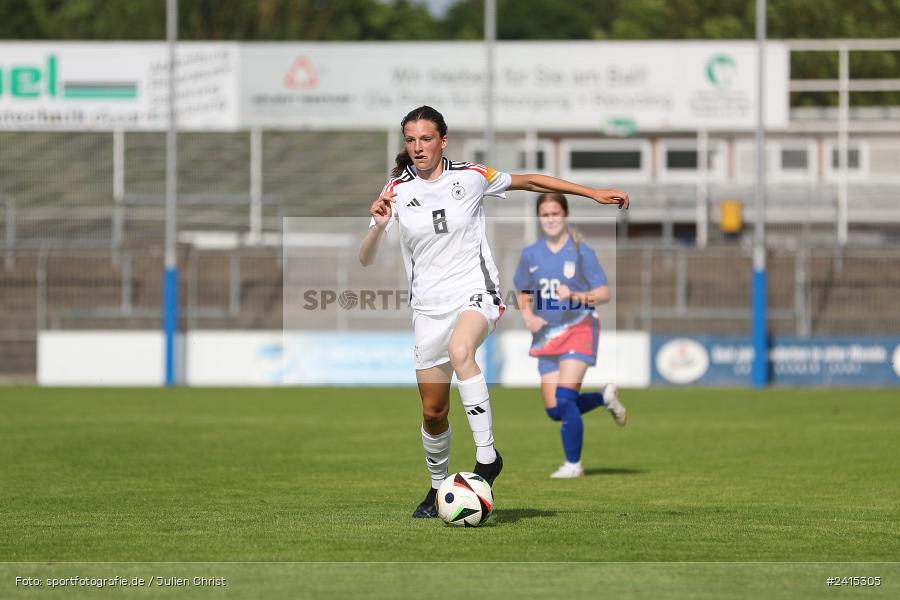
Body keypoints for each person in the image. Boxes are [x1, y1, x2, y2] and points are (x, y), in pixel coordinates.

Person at [358, 106, 629, 518]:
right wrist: (377, 226)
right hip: (427, 308)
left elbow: (530, 180)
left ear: (443, 141)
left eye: (426, 138)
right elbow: (365, 258)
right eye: (410, 140)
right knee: (433, 412)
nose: (417, 147)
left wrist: (590, 193)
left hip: (475, 293)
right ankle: (436, 490)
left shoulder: (471, 175)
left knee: (462, 349)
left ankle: (487, 457)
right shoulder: (395, 189)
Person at [513, 193, 628, 479]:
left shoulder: (580, 251)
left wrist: (575, 295)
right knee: (555, 410)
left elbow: (604, 293)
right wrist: (528, 315)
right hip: (547, 334)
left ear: (564, 215)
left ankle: (573, 465)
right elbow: (522, 290)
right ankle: (603, 398)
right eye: (545, 214)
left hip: (580, 327)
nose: (550, 219)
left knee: (565, 399)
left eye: (555, 213)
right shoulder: (531, 254)